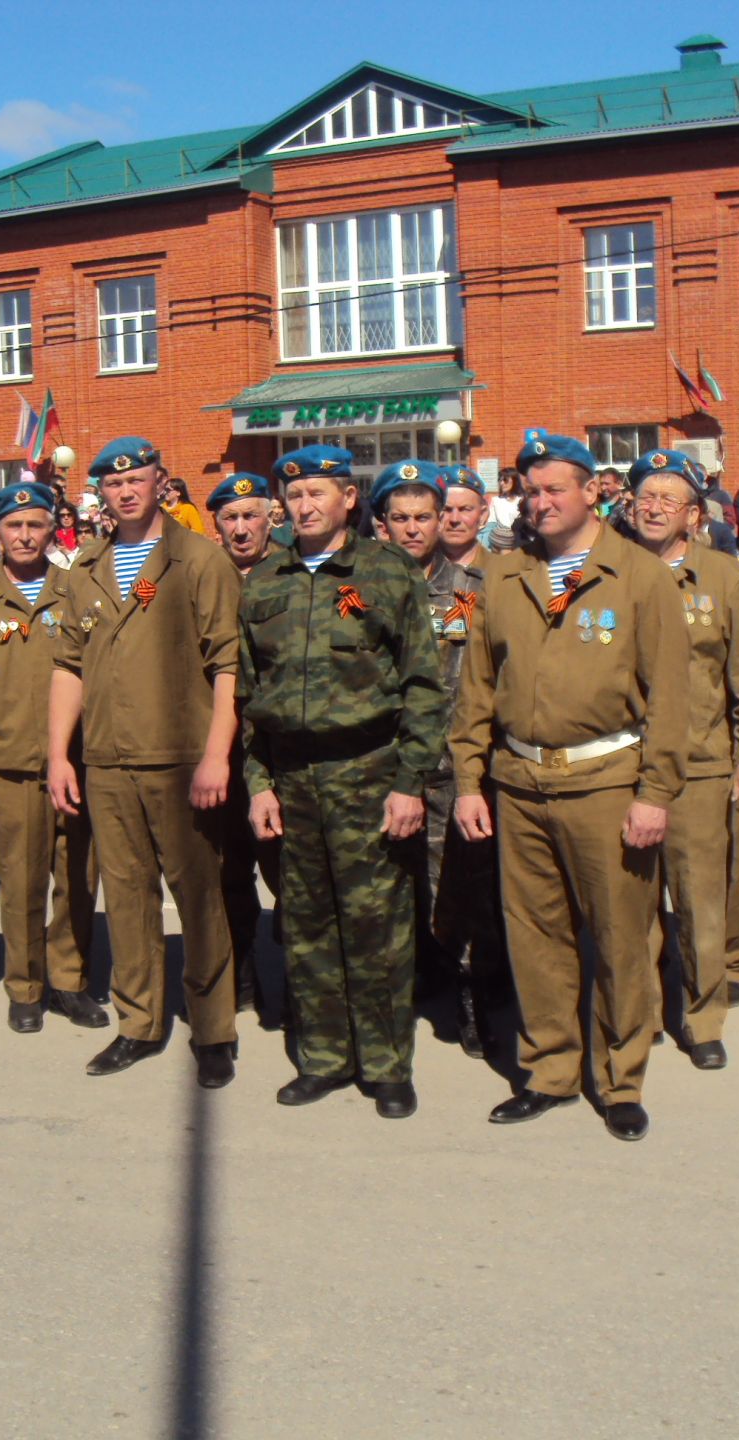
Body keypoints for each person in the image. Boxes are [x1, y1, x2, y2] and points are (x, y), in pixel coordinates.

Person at [452, 429, 690, 1140]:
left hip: (607, 783)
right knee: (536, 938)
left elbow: (673, 698)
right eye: (531, 490)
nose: (541, 501)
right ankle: (551, 1069)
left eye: (556, 488)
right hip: (520, 783)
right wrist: (469, 779)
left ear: (594, 491)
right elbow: (476, 688)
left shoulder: (640, 576)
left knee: (621, 939)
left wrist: (654, 795)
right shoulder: (505, 574)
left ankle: (620, 1080)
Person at [239, 450, 447, 1118]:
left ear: (349, 499)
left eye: (317, 492)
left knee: (378, 925)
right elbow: (249, 694)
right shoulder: (265, 581)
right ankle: (324, 1058)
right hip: (293, 777)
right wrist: (259, 782)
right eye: (294, 493)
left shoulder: (388, 574)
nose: (304, 506)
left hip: (369, 771)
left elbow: (422, 685)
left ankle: (387, 1066)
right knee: (305, 924)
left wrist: (411, 781)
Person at [48, 437, 242, 1087]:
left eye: (137, 478)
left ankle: (213, 1029)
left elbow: (227, 665)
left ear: (161, 480)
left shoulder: (199, 560)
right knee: (127, 901)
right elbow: (68, 666)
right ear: (100, 492)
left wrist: (218, 754)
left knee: (199, 897)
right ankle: (139, 1024)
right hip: (108, 760)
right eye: (112, 482)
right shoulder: (86, 567)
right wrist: (58, 755)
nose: (125, 490)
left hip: (182, 760)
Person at [627, 451, 739, 1069]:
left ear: (694, 515)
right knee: (632, 903)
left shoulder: (724, 577)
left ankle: (703, 1015)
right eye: (645, 494)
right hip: (624, 763)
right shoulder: (606, 572)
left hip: (701, 762)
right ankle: (637, 1012)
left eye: (669, 498)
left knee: (699, 900)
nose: (653, 505)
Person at [0, 482, 105, 1034]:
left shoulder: (79, 590)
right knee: (20, 884)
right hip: (10, 767)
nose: (24, 535)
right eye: (13, 526)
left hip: (79, 762)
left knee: (77, 880)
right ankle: (25, 986)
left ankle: (69, 980)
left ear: (51, 530)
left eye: (35, 525)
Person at [371, 459, 499, 1059]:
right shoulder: (356, 592)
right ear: (382, 525)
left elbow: (485, 678)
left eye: (427, 516)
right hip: (378, 766)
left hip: (450, 769)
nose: (416, 528)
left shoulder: (472, 592)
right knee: (388, 890)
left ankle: (472, 999)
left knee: (458, 889)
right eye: (402, 518)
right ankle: (401, 991)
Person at [206, 471, 284, 1013]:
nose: (240, 528)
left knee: (290, 874)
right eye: (229, 519)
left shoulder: (299, 568)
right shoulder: (194, 574)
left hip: (280, 752)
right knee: (228, 872)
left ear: (269, 517)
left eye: (249, 515)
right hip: (220, 753)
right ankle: (243, 974)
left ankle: (303, 986)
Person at [438, 465, 490, 570]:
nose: (455, 519)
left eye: (465, 509)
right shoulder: (410, 571)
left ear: (483, 515)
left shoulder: (504, 573)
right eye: (446, 509)